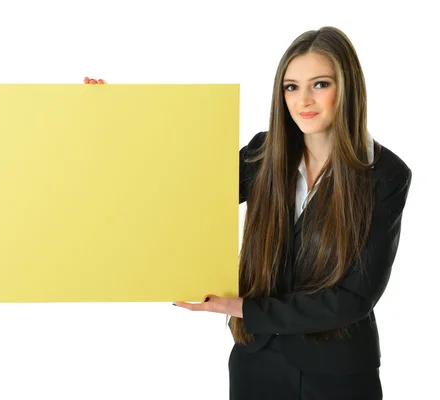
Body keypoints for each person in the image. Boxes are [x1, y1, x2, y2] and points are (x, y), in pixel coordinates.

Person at [85, 26, 411, 399]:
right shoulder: (265, 153)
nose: (303, 100)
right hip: (257, 362)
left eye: (320, 84)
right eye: (291, 87)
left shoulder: (385, 174)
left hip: (339, 369)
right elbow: (182, 198)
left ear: (347, 87)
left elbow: (353, 299)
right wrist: (111, 122)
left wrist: (244, 307)